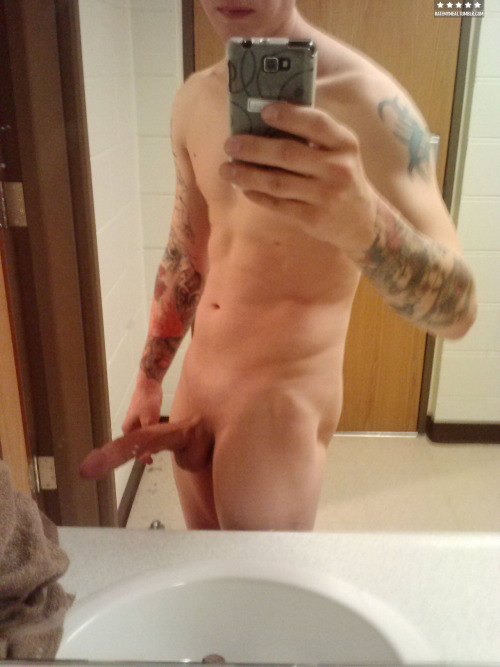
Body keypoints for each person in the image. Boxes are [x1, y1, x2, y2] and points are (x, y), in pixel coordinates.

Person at [80, 0, 476, 530]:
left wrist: (364, 223)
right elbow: (186, 249)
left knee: (257, 582)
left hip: (279, 404)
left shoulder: (370, 103)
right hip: (198, 383)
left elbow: (458, 313)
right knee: (207, 564)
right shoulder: (194, 97)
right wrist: (150, 378)